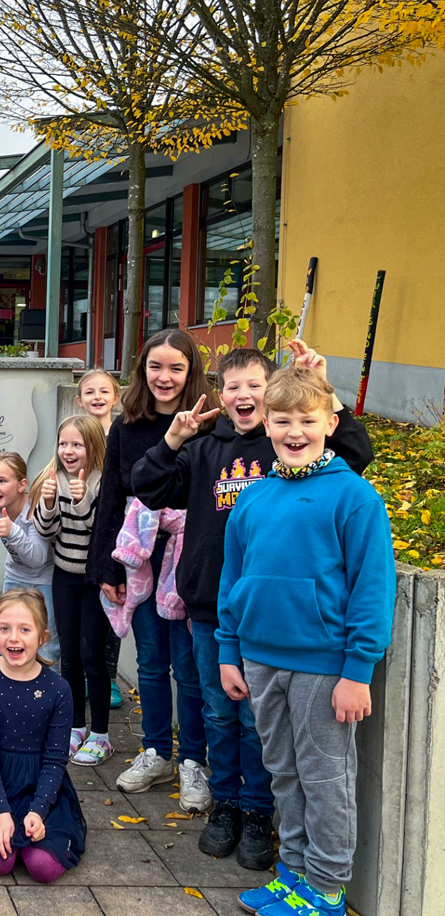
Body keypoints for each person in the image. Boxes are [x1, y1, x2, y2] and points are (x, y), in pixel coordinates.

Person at [132, 341, 373, 870]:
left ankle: (260, 814)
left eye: (254, 385)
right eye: (231, 385)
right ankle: (227, 805)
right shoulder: (203, 449)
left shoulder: (285, 450)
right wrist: (173, 439)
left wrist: (326, 393)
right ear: (220, 394)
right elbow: (147, 487)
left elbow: (354, 457)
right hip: (211, 612)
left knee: (258, 726)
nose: (243, 394)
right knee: (219, 714)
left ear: (271, 397)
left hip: (275, 622)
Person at [219, 366, 394, 916]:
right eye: (283, 420)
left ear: (330, 422)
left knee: (326, 778)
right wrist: (229, 650)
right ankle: (293, 874)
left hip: (325, 667)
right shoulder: (252, 498)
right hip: (260, 659)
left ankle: (326, 889)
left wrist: (357, 670)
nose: (295, 431)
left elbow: (372, 588)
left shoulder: (354, 497)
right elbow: (233, 579)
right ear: (265, 425)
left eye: (307, 420)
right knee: (284, 772)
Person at [88, 329, 213, 808]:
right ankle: (156, 751)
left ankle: (193, 762)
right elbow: (113, 498)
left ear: (191, 372)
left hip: (190, 559)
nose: (164, 377)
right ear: (142, 371)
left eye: (175, 368)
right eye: (155, 367)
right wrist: (106, 566)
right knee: (150, 662)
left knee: (190, 665)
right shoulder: (127, 426)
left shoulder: (211, 428)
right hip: (139, 554)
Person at [0, 589, 87, 881]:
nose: (13, 638)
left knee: (44, 867)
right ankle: (0, 828)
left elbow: (55, 759)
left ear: (42, 637)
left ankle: (34, 831)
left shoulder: (58, 689)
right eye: (4, 628)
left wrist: (38, 811)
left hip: (38, 782)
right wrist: (0, 811)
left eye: (24, 629)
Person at [31, 416, 111, 765]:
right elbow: (45, 531)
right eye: (64, 443)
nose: (68, 450)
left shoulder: (102, 481)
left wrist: (81, 501)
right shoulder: (52, 479)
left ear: (92, 446)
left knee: (92, 655)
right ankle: (76, 725)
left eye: (76, 444)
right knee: (69, 656)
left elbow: (103, 528)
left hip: (94, 579)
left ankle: (102, 733)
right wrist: (49, 503)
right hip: (64, 575)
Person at [0, 451, 55, 666]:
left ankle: (45, 695)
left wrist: (13, 532)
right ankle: (10, 689)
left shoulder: (34, 507)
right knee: (8, 638)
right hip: (14, 578)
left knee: (45, 644)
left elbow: (38, 558)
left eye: (2, 481)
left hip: (45, 581)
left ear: (21, 485)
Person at [75, 368, 123, 706]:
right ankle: (83, 672)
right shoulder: (74, 433)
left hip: (112, 532)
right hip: (78, 535)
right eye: (90, 392)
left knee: (112, 604)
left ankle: (109, 675)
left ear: (116, 398)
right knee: (83, 612)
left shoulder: (121, 433)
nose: (97, 397)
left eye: (104, 391)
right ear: (79, 400)